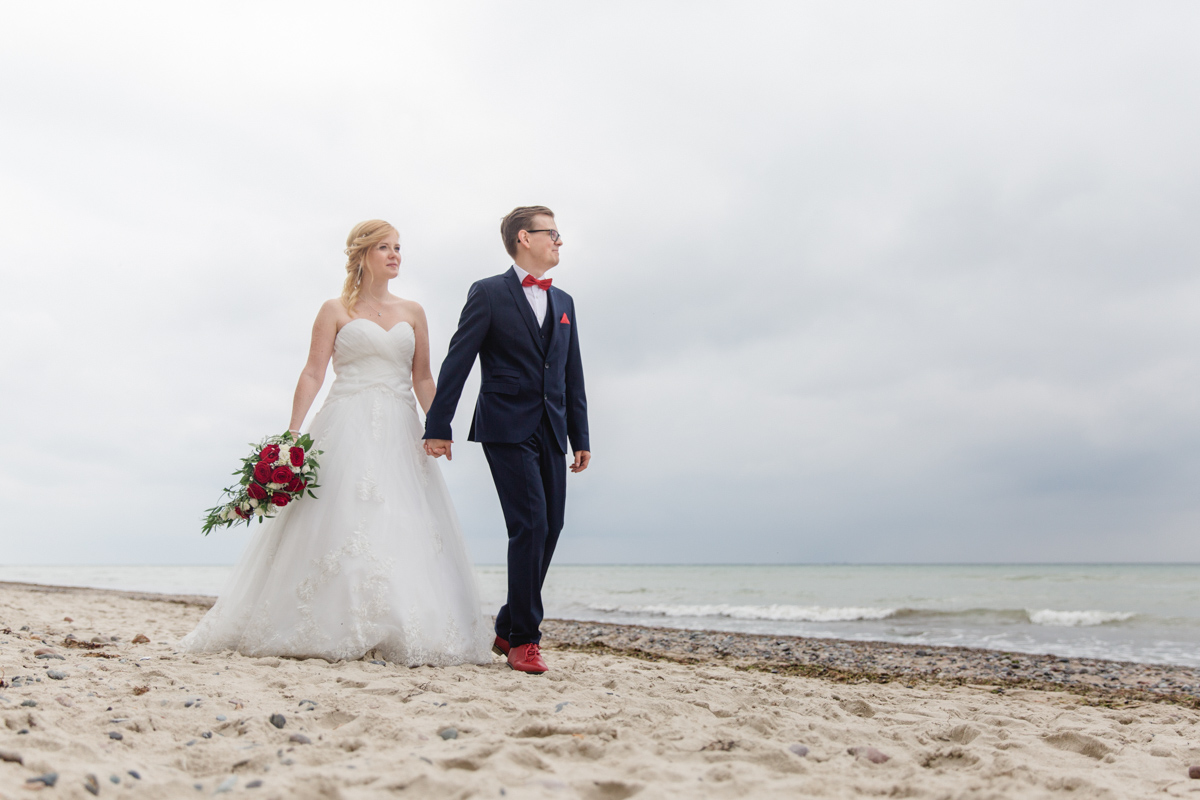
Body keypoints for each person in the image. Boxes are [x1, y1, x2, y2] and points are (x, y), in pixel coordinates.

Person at [181, 220, 492, 666]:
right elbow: (313, 372)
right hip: (345, 423)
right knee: (344, 515)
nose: (394, 254)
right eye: (384, 247)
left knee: (401, 519)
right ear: (362, 254)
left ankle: (396, 625)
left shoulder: (414, 312)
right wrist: (292, 432)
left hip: (401, 428)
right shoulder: (335, 309)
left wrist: (437, 425)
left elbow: (422, 376)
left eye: (398, 247)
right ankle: (336, 622)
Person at [423, 205, 590, 674]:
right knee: (530, 526)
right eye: (552, 233)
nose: (559, 241)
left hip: (552, 428)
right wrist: (439, 425)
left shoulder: (566, 304)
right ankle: (523, 639)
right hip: (504, 424)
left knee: (551, 527)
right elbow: (459, 360)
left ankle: (506, 622)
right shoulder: (489, 293)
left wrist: (580, 434)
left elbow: (571, 373)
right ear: (524, 238)